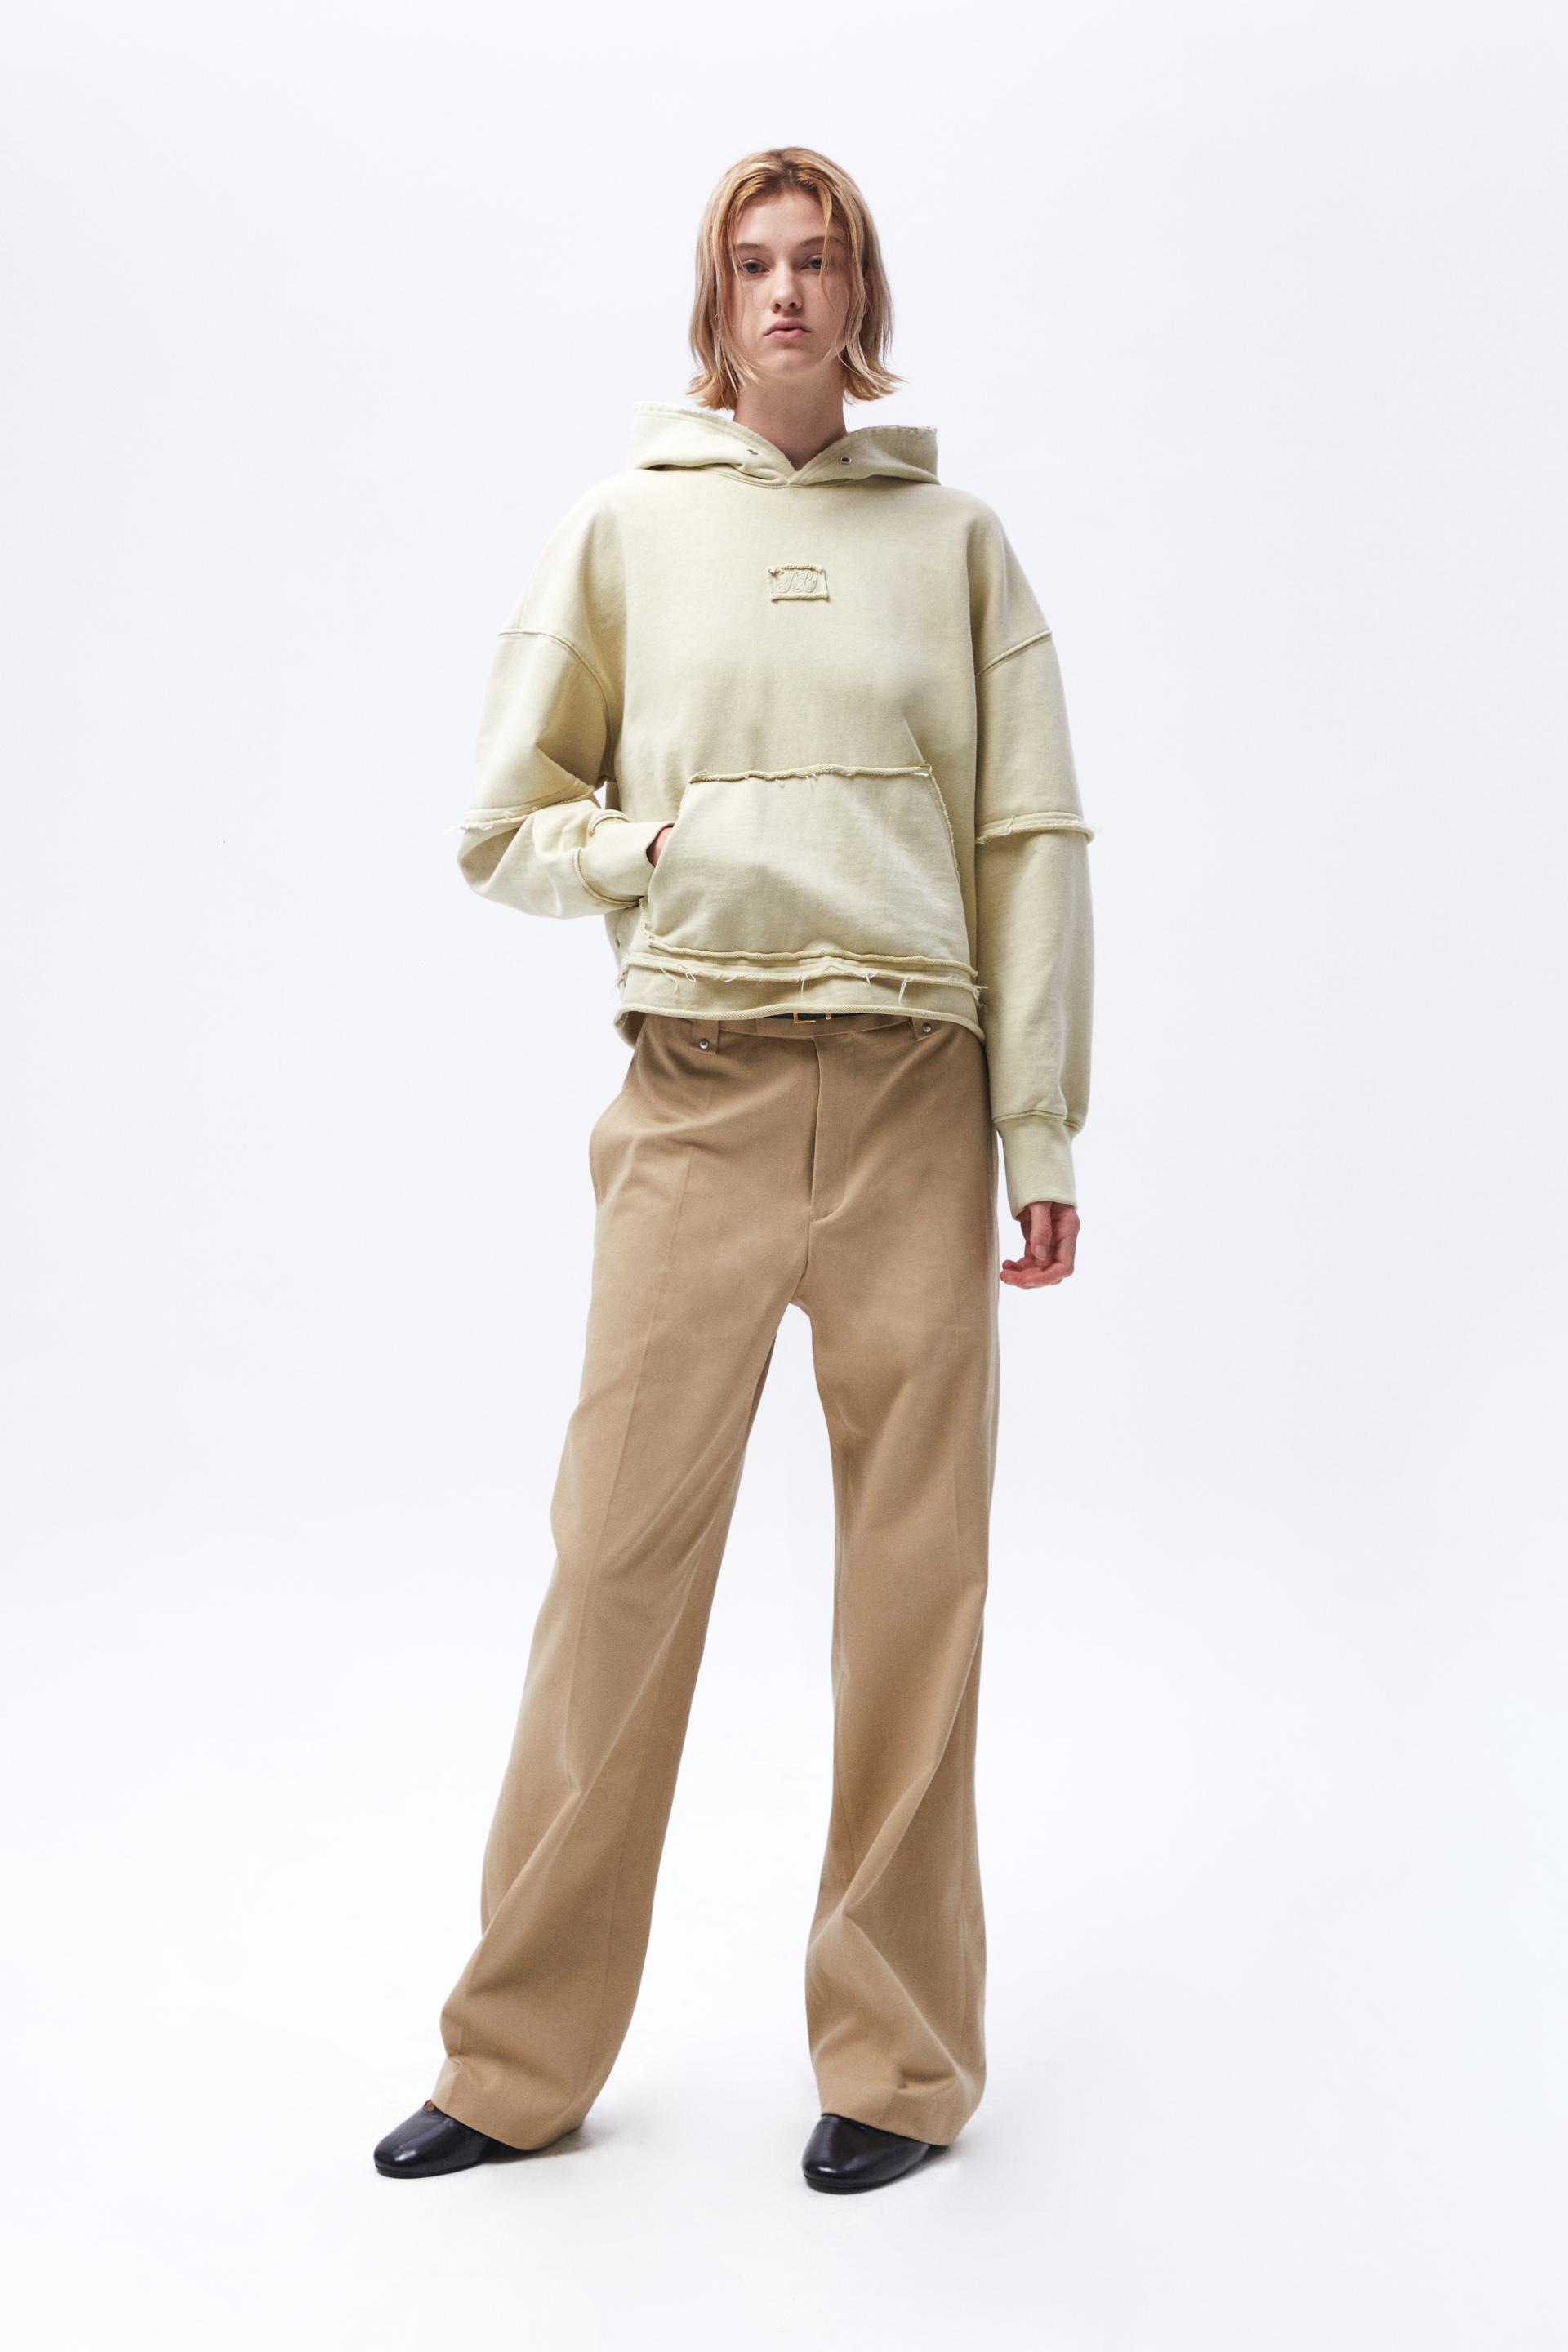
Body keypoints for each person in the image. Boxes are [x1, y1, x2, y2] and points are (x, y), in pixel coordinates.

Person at [374, 145, 1094, 2197]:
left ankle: (900, 2064)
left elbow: (1030, 841)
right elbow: (501, 820)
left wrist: (1037, 1123)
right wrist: (648, 850)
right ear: (715, 300)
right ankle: (517, 2062)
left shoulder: (957, 542)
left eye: (822, 261)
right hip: (693, 1094)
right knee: (614, 1568)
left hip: (915, 1102)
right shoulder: (624, 526)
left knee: (916, 1589)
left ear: (863, 298)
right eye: (755, 263)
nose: (788, 292)